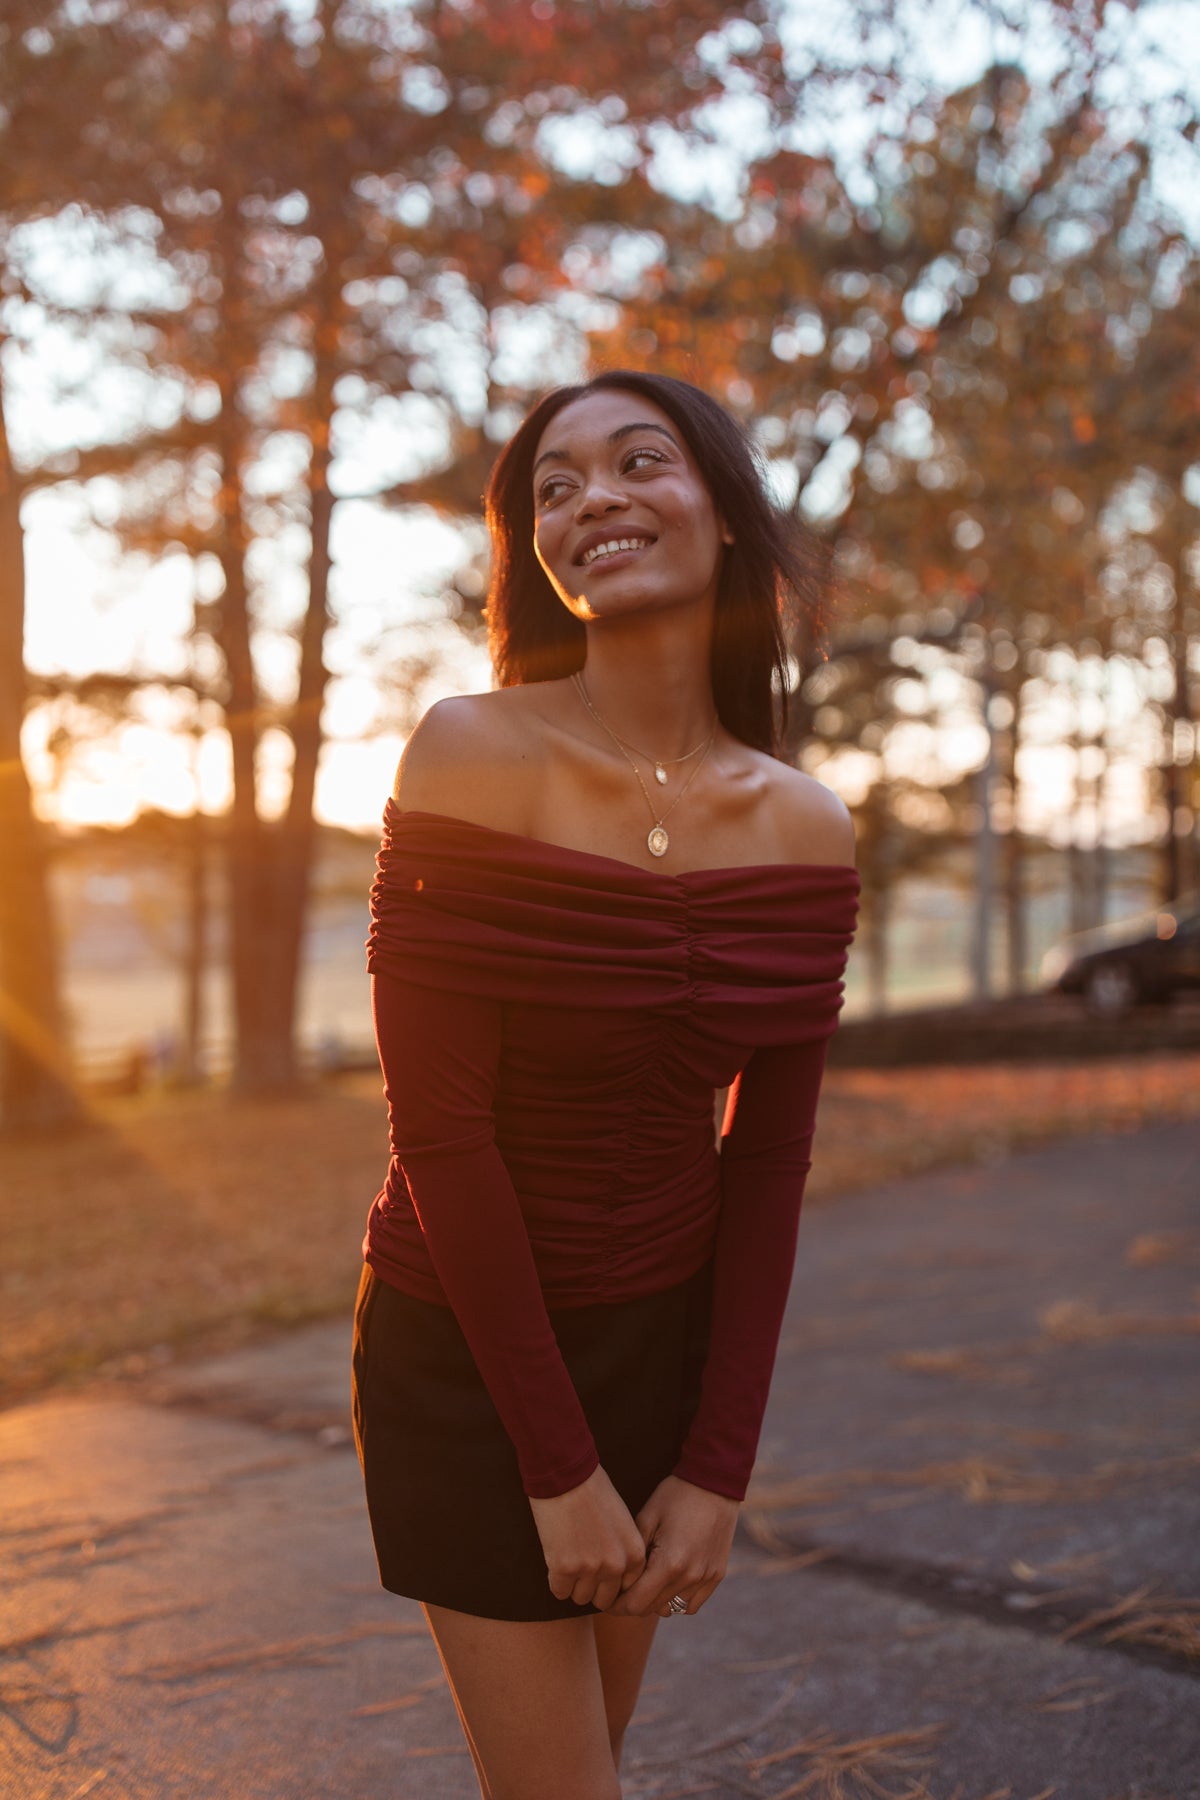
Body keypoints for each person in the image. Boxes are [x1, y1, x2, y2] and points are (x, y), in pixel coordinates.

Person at [352, 369, 858, 1800]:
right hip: (470, 1356)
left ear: (724, 516)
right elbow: (440, 1138)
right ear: (537, 555)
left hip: (660, 1350)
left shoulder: (807, 827)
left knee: (584, 1771)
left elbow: (765, 1167)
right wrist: (558, 1469)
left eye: (639, 462)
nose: (593, 501)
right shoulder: (470, 753)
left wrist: (717, 1465)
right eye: (553, 490)